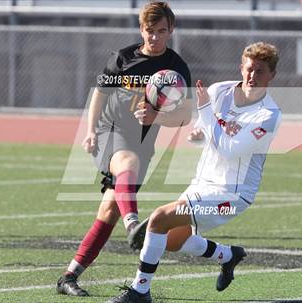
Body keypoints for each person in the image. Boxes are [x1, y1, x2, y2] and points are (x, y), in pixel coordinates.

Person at [107, 41, 281, 303]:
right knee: (173, 241)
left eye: (260, 71)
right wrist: (198, 133)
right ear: (241, 67)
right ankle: (228, 255)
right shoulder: (220, 91)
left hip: (231, 197)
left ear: (272, 76)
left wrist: (204, 112)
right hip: (203, 182)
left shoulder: (268, 114)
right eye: (249, 69)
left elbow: (231, 149)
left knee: (158, 219)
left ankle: (139, 291)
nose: (252, 76)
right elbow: (206, 131)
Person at [56, 1, 192, 297]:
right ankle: (134, 223)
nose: (154, 37)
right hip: (109, 131)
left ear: (171, 31)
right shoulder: (122, 58)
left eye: (161, 31)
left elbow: (185, 116)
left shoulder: (177, 69)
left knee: (107, 212)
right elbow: (99, 94)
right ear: (141, 29)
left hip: (142, 142)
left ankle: (69, 276)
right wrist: (90, 129)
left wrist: (158, 117)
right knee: (126, 161)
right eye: (149, 31)